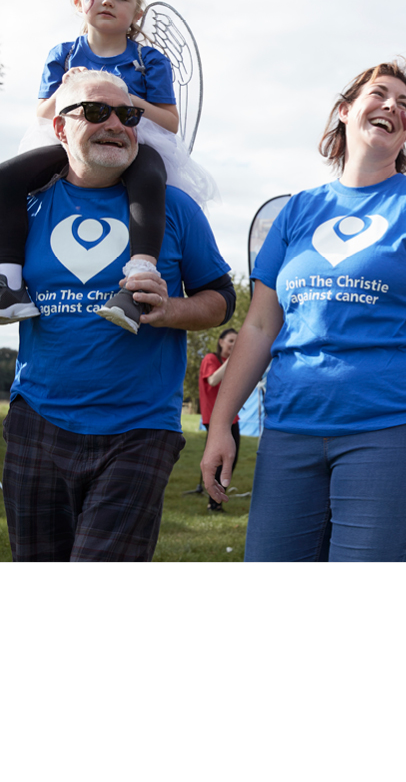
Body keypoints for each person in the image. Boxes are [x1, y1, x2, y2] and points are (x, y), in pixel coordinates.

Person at [201, 60, 406, 562]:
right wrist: (222, 423)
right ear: (344, 111)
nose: (393, 107)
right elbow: (261, 324)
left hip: (397, 426)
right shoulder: (296, 211)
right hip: (291, 426)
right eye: (380, 94)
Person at [1, 69, 235, 562]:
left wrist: (168, 309)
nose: (115, 124)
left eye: (127, 114)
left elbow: (220, 299)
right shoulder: (25, 205)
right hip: (38, 420)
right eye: (94, 111)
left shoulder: (175, 208)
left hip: (140, 427)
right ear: (60, 128)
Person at [0, 0, 215, 334]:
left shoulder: (149, 60)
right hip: (76, 138)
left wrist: (122, 97)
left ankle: (139, 276)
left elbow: (169, 122)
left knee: (149, 177)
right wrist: (68, 90)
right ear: (78, 1)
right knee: (8, 177)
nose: (106, 2)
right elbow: (42, 113)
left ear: (136, 11)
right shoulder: (63, 54)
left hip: (136, 138)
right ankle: (9, 282)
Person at [199, 328, 240, 513]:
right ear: (221, 341)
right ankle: (213, 503)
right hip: (214, 418)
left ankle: (218, 499)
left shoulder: (228, 362)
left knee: (232, 458)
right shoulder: (211, 359)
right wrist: (233, 360)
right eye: (231, 340)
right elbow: (213, 380)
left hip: (232, 417)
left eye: (237, 341)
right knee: (219, 459)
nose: (234, 344)